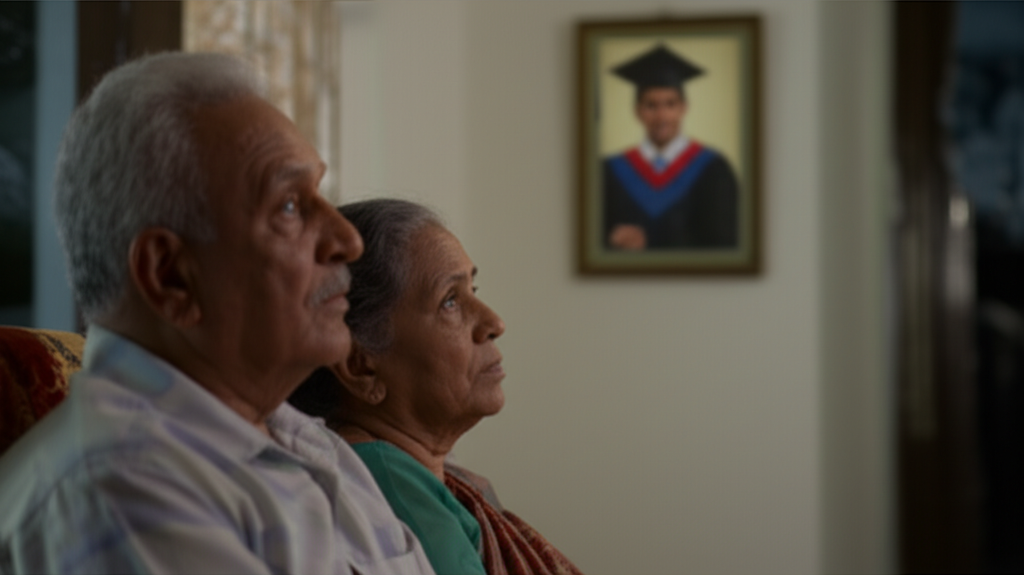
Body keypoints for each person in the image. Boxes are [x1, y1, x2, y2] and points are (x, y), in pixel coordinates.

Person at [0, 53, 434, 575]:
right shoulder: (122, 489)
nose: (348, 240)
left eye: (319, 193)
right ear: (171, 276)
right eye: (290, 207)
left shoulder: (317, 446)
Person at [289, 199, 583, 575]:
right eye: (449, 301)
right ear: (361, 367)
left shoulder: (416, 472)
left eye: (472, 288)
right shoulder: (389, 487)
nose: (494, 322)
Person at [603, 43, 740, 250]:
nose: (662, 116)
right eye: (651, 105)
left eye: (670, 104)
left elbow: (731, 244)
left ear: (684, 108)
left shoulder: (714, 168)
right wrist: (611, 240)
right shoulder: (609, 171)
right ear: (637, 111)